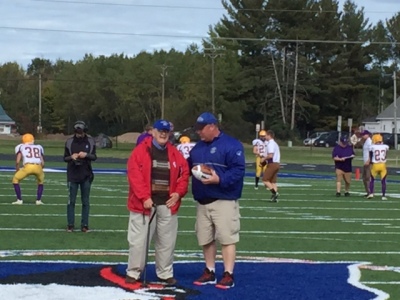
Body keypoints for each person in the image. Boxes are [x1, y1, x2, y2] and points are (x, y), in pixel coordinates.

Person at [126, 119, 189, 285]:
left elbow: (184, 174)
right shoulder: (140, 151)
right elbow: (134, 176)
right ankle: (134, 271)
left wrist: (178, 193)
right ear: (152, 131)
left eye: (166, 131)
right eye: (160, 130)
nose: (163, 134)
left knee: (167, 242)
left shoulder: (175, 153)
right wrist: (144, 197)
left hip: (167, 204)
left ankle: (165, 272)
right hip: (145, 205)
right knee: (139, 241)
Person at [187, 112, 245, 289]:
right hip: (202, 200)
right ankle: (209, 270)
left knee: (227, 238)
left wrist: (219, 179)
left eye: (201, 128)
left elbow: (238, 170)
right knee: (206, 238)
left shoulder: (231, 145)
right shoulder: (197, 149)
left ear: (212, 126)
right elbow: (187, 168)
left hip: (224, 199)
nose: (198, 132)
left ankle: (228, 273)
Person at [63, 121, 97, 232]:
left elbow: (94, 157)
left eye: (81, 132)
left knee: (85, 201)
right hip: (72, 174)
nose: (79, 134)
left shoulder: (90, 141)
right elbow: (65, 158)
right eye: (77, 132)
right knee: (71, 201)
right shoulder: (69, 142)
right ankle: (70, 225)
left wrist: (86, 155)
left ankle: (85, 225)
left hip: (86, 174)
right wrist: (71, 157)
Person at [12, 133, 45, 205]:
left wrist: (17, 168)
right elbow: (43, 162)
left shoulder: (21, 146)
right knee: (40, 182)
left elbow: (18, 161)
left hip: (28, 166)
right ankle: (38, 200)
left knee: (15, 179)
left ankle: (19, 200)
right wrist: (40, 170)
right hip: (38, 166)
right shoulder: (38, 147)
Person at [260, 130, 281, 202]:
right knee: (273, 182)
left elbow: (270, 155)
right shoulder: (275, 143)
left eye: (266, 135)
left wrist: (263, 160)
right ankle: (275, 198)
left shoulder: (271, 144)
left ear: (269, 135)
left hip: (272, 164)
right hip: (277, 163)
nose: (265, 137)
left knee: (265, 180)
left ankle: (274, 193)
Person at [367, 134, 389, 200]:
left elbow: (370, 156)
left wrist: (370, 162)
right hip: (383, 165)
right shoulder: (385, 146)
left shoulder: (372, 147)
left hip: (375, 165)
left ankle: (371, 193)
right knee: (383, 181)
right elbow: (386, 154)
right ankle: (383, 196)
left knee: (372, 180)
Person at [360, 130, 372, 197]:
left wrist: (368, 161)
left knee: (367, 178)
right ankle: (368, 192)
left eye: (364, 134)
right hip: (365, 162)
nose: (362, 136)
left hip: (368, 163)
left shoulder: (369, 142)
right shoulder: (365, 141)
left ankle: (370, 192)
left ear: (367, 134)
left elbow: (371, 152)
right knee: (364, 178)